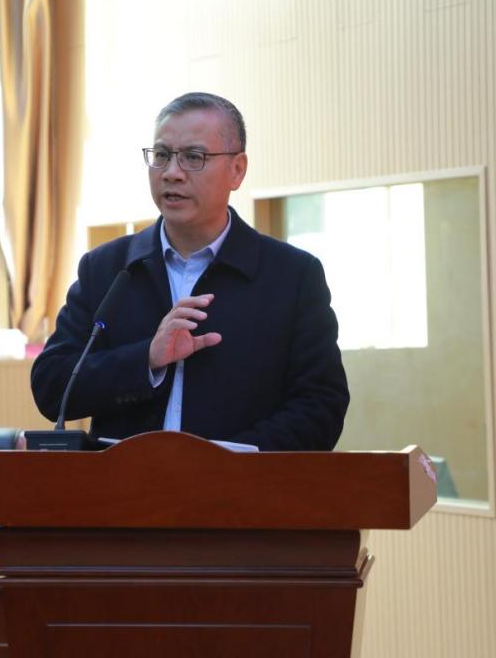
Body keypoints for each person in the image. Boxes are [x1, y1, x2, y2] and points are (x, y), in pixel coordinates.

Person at [30, 92, 349, 451]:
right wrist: (147, 358)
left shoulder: (292, 276)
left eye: (194, 157)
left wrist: (222, 465)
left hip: (240, 484)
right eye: (161, 155)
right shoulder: (107, 269)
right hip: (126, 485)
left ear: (237, 170)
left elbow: (321, 407)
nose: (172, 173)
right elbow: (51, 385)